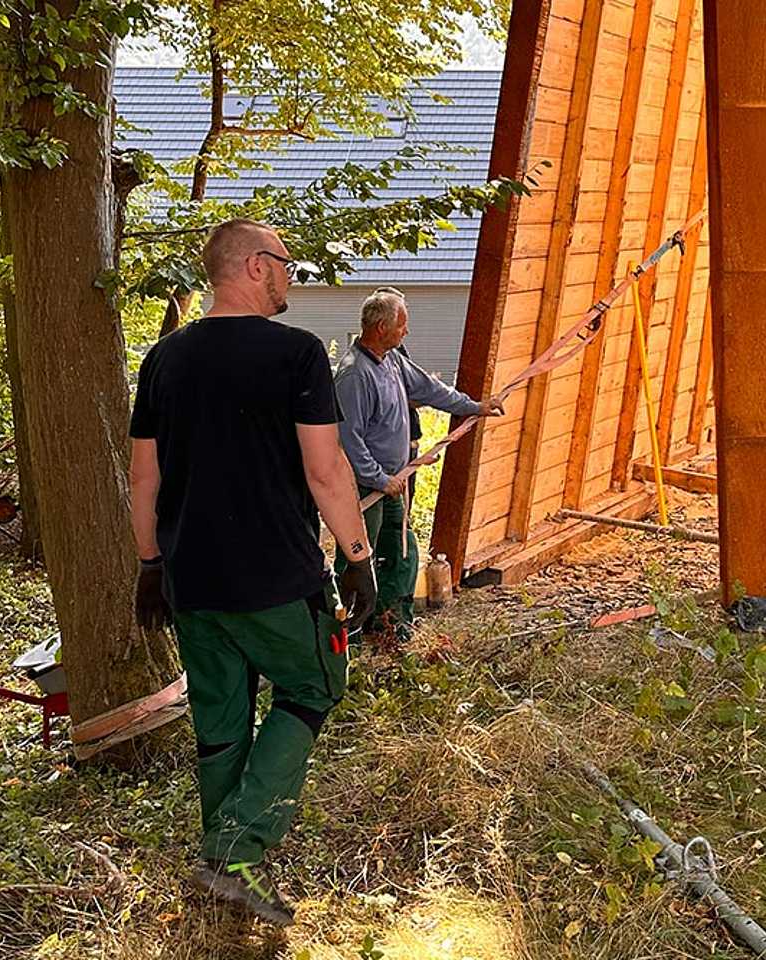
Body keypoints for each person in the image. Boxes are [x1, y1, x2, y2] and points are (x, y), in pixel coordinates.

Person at [129, 218, 378, 926]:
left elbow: (142, 481)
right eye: (286, 264)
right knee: (316, 683)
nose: (292, 276)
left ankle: (226, 872)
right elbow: (326, 471)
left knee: (222, 717)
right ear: (251, 267)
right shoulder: (296, 355)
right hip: (274, 577)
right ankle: (232, 853)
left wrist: (150, 565)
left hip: (191, 581)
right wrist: (358, 559)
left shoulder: (163, 360)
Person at [332, 288, 503, 642]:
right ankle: (348, 632)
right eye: (402, 325)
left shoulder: (392, 361)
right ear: (381, 328)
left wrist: (474, 406)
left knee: (401, 552)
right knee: (359, 558)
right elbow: (348, 440)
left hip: (393, 483)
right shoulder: (354, 375)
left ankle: (392, 624)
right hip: (365, 488)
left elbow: (428, 389)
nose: (406, 332)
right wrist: (378, 478)